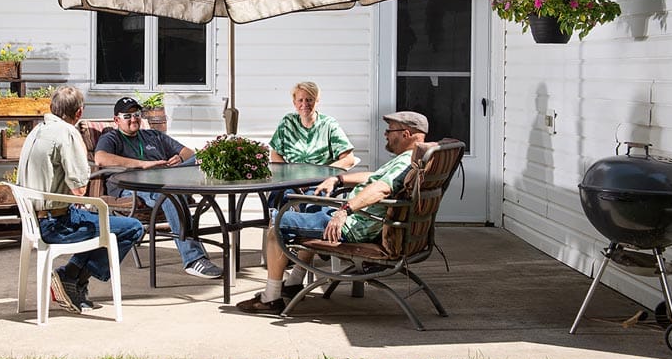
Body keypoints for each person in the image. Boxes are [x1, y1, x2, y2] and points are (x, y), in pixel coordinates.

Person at [236, 110, 429, 314]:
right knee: (309, 215)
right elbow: (376, 176)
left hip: (356, 227)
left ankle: (271, 298)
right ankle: (293, 283)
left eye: (390, 130)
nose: (386, 134)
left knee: (278, 220)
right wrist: (339, 179)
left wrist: (345, 210)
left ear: (406, 134)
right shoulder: (414, 159)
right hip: (362, 220)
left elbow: (382, 188)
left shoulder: (405, 162)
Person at [17, 85, 144, 315]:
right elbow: (80, 189)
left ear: (52, 108)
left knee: (98, 223)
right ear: (79, 113)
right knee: (131, 228)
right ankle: (69, 276)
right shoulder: (67, 134)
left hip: (33, 220)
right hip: (57, 223)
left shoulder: (36, 131)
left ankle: (74, 284)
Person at [94, 96, 223, 279]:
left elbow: (189, 154)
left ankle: (186, 189)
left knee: (203, 159)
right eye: (127, 116)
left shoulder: (153, 135)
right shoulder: (111, 138)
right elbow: (101, 158)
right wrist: (142, 164)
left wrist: (180, 159)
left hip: (166, 180)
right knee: (170, 195)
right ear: (117, 120)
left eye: (137, 114)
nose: (133, 119)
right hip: (136, 186)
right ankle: (193, 260)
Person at [269, 81, 357, 170]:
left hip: (321, 181)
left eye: (309, 100)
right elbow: (275, 153)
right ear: (294, 103)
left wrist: (325, 175)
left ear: (316, 100)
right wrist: (286, 173)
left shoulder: (328, 125)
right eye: (300, 100)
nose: (305, 104)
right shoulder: (287, 122)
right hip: (293, 182)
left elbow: (349, 160)